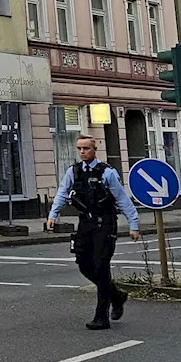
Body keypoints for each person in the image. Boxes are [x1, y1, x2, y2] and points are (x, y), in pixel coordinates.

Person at [47, 135, 140, 330]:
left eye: (86, 148)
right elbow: (63, 193)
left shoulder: (107, 173)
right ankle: (117, 296)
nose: (82, 152)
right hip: (85, 223)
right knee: (84, 265)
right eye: (79, 148)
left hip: (105, 224)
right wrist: (53, 215)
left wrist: (133, 224)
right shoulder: (74, 171)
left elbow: (122, 199)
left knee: (101, 266)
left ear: (94, 149)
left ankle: (101, 317)